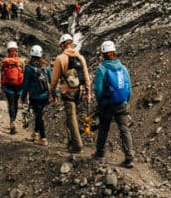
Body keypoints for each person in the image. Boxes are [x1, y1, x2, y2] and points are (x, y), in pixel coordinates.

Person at [92, 40, 134, 168]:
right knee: (124, 129)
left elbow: (98, 90)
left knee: (104, 127)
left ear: (103, 54)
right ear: (114, 52)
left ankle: (100, 152)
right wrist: (125, 101)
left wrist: (101, 103)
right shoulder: (123, 68)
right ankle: (129, 157)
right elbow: (129, 87)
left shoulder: (102, 69)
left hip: (108, 104)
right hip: (121, 102)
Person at [50, 33, 91, 153]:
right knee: (71, 116)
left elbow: (54, 79)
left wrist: (52, 91)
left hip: (67, 90)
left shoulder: (60, 58)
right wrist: (88, 93)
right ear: (71, 44)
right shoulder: (80, 57)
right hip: (80, 90)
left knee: (71, 116)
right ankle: (70, 141)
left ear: (62, 45)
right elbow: (87, 77)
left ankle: (77, 145)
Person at [20, 45, 53, 145]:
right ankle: (35, 133)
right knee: (39, 113)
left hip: (35, 96)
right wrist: (54, 95)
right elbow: (51, 81)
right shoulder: (46, 66)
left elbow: (25, 84)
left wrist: (23, 96)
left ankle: (43, 138)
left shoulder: (29, 68)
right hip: (45, 95)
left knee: (38, 116)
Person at [0, 40, 25, 134]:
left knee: (11, 103)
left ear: (8, 51)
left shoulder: (5, 61)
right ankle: (14, 120)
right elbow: (24, 73)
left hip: (8, 86)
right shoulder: (21, 61)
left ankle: (12, 121)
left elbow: (2, 74)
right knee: (16, 103)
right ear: (17, 50)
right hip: (19, 86)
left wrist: (1, 86)